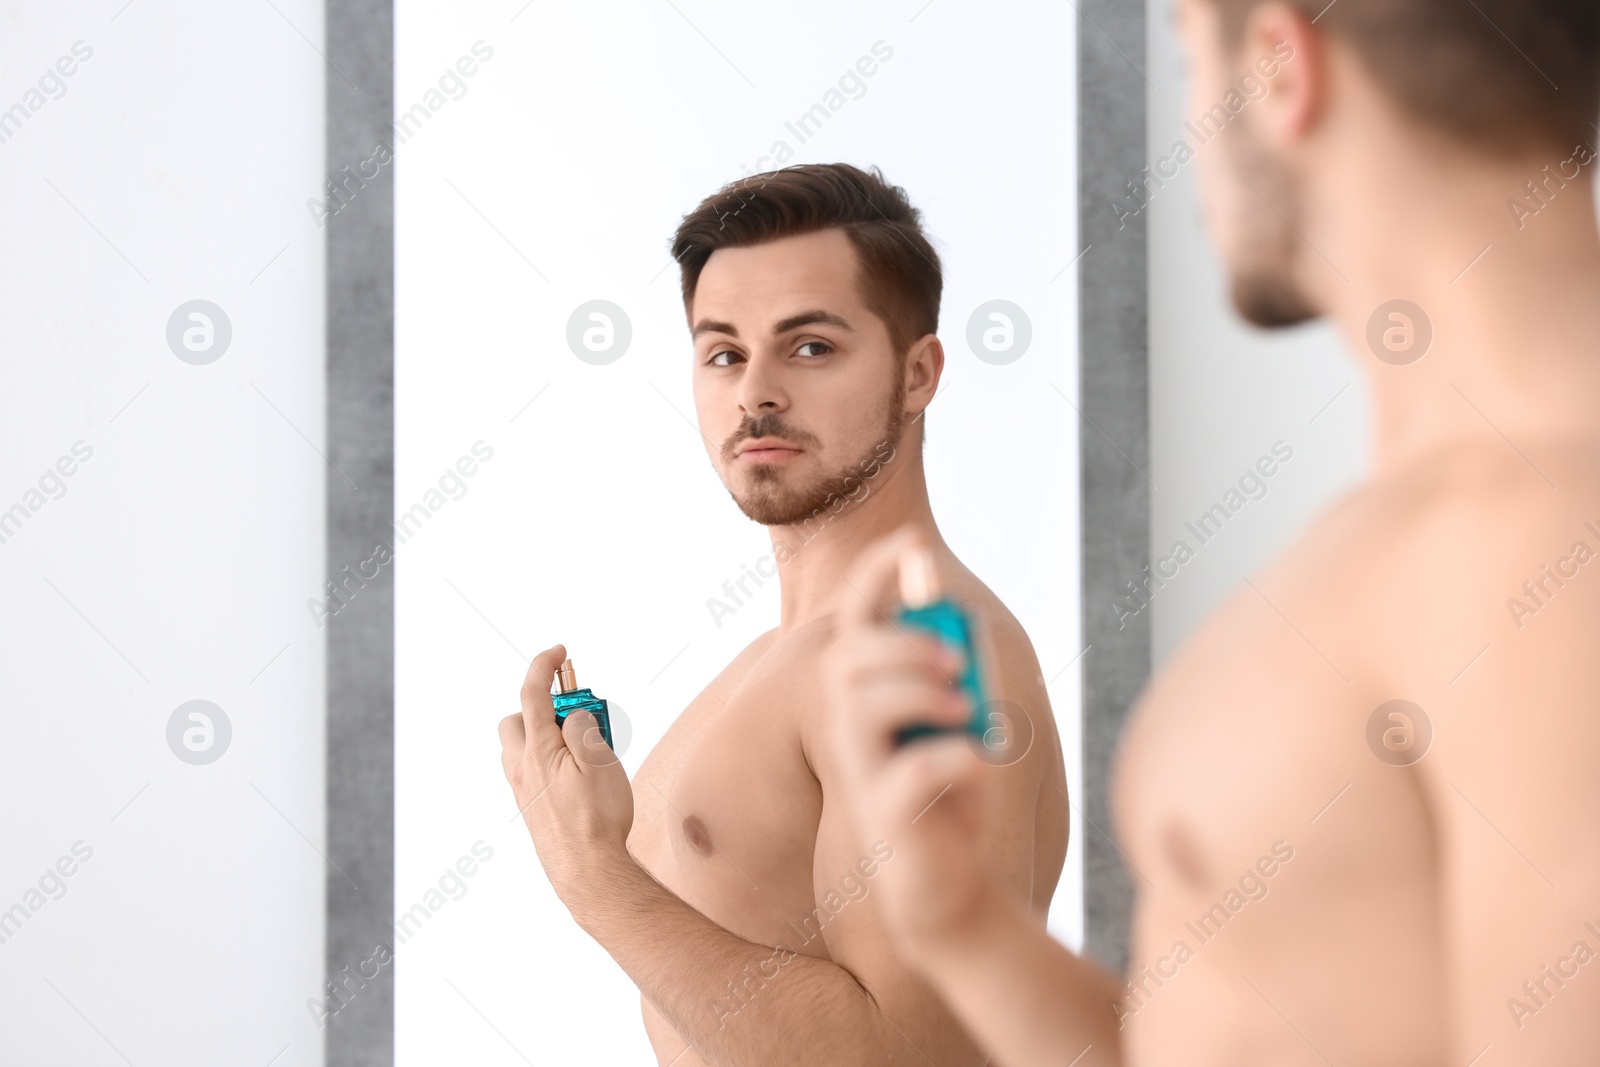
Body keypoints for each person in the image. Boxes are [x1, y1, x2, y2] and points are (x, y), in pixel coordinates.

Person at [824, 1, 1600, 1064]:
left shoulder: (1539, 534)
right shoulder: (1434, 522)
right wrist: (961, 922)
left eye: (1192, 58)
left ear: (1279, 65)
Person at [498, 163, 1069, 1065]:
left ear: (918, 374)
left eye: (809, 347)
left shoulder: (927, 652)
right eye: (724, 351)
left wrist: (595, 878)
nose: (754, 390)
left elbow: (915, 1052)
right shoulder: (782, 656)